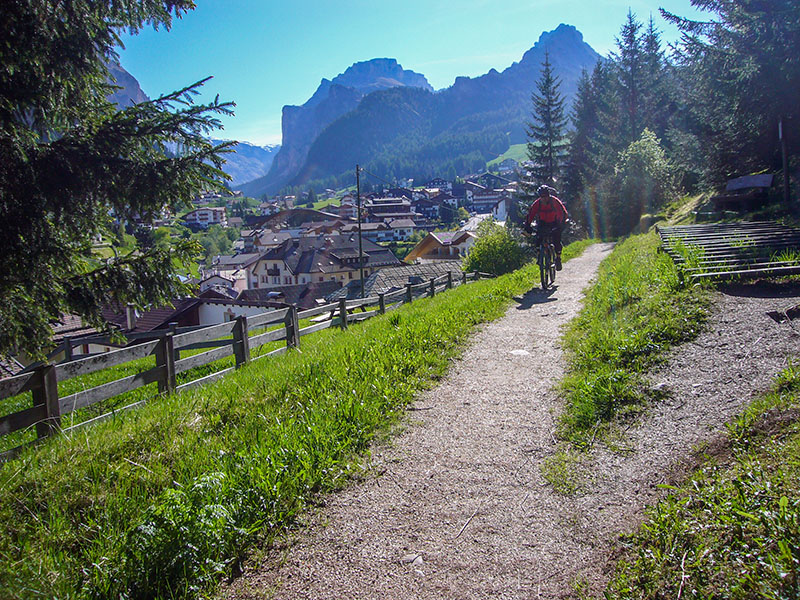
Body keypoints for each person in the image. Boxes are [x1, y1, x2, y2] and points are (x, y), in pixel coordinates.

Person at [524, 185, 569, 270]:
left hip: (554, 222)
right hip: (543, 223)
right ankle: (540, 257)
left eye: (545, 196)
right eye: (542, 197)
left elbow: (562, 213)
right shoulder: (537, 203)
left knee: (557, 240)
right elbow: (531, 214)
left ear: (548, 195)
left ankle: (558, 258)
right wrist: (527, 225)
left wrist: (560, 224)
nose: (544, 198)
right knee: (538, 240)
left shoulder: (555, 202)